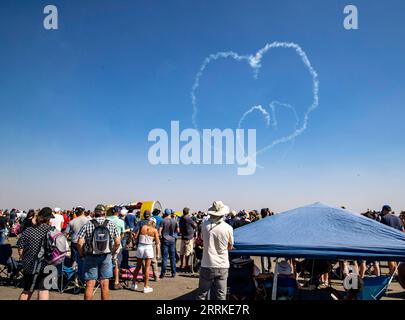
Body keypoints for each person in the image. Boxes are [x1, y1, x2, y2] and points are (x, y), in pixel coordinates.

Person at [77, 204, 121, 300]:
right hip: (106, 256)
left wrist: (81, 255)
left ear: (94, 213)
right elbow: (118, 242)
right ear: (104, 213)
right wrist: (112, 253)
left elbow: (80, 243)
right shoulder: (111, 224)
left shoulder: (88, 224)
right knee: (105, 284)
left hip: (90, 256)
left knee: (89, 284)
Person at [197, 201, 234, 300]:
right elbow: (230, 246)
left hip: (207, 263)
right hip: (222, 265)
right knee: (221, 295)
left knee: (202, 294)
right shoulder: (228, 228)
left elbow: (202, 238)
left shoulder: (204, 225)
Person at [17, 207, 54, 300]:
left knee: (27, 290)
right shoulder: (51, 230)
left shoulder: (28, 230)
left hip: (29, 264)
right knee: (43, 290)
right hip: (46, 264)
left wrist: (24, 259)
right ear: (48, 218)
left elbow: (20, 248)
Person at [131, 219, 160, 293]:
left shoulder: (143, 227)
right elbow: (157, 243)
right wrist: (157, 254)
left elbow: (135, 237)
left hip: (140, 247)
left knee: (138, 267)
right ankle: (146, 287)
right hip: (148, 248)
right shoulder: (154, 230)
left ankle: (133, 284)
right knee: (147, 268)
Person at [65, 206, 89, 281]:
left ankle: (75, 278)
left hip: (74, 242)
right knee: (84, 260)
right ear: (83, 212)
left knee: (74, 260)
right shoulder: (88, 221)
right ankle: (84, 278)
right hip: (85, 243)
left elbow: (66, 233)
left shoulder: (72, 221)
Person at [380, 205, 404, 275]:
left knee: (390, 258)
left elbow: (381, 230)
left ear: (384, 210)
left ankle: (392, 273)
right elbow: (402, 230)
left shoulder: (384, 218)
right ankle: (397, 272)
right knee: (396, 258)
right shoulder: (398, 218)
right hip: (398, 241)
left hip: (389, 240)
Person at [107, 206, 126, 290]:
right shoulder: (120, 222)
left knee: (106, 262)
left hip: (106, 245)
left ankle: (105, 279)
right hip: (117, 245)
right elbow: (122, 234)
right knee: (116, 263)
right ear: (119, 212)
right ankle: (116, 282)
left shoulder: (106, 220)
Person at [159, 209, 179, 278]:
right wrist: (174, 234)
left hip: (165, 239)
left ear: (165, 213)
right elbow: (178, 230)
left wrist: (160, 236)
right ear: (170, 213)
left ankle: (163, 273)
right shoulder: (175, 220)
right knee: (172, 257)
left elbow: (160, 230)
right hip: (172, 240)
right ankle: (173, 273)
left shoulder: (163, 220)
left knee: (164, 258)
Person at [179, 207, 197, 272]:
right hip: (189, 237)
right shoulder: (188, 218)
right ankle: (186, 264)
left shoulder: (181, 218)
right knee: (188, 252)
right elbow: (195, 225)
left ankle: (181, 264)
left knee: (181, 252)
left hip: (183, 236)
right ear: (188, 212)